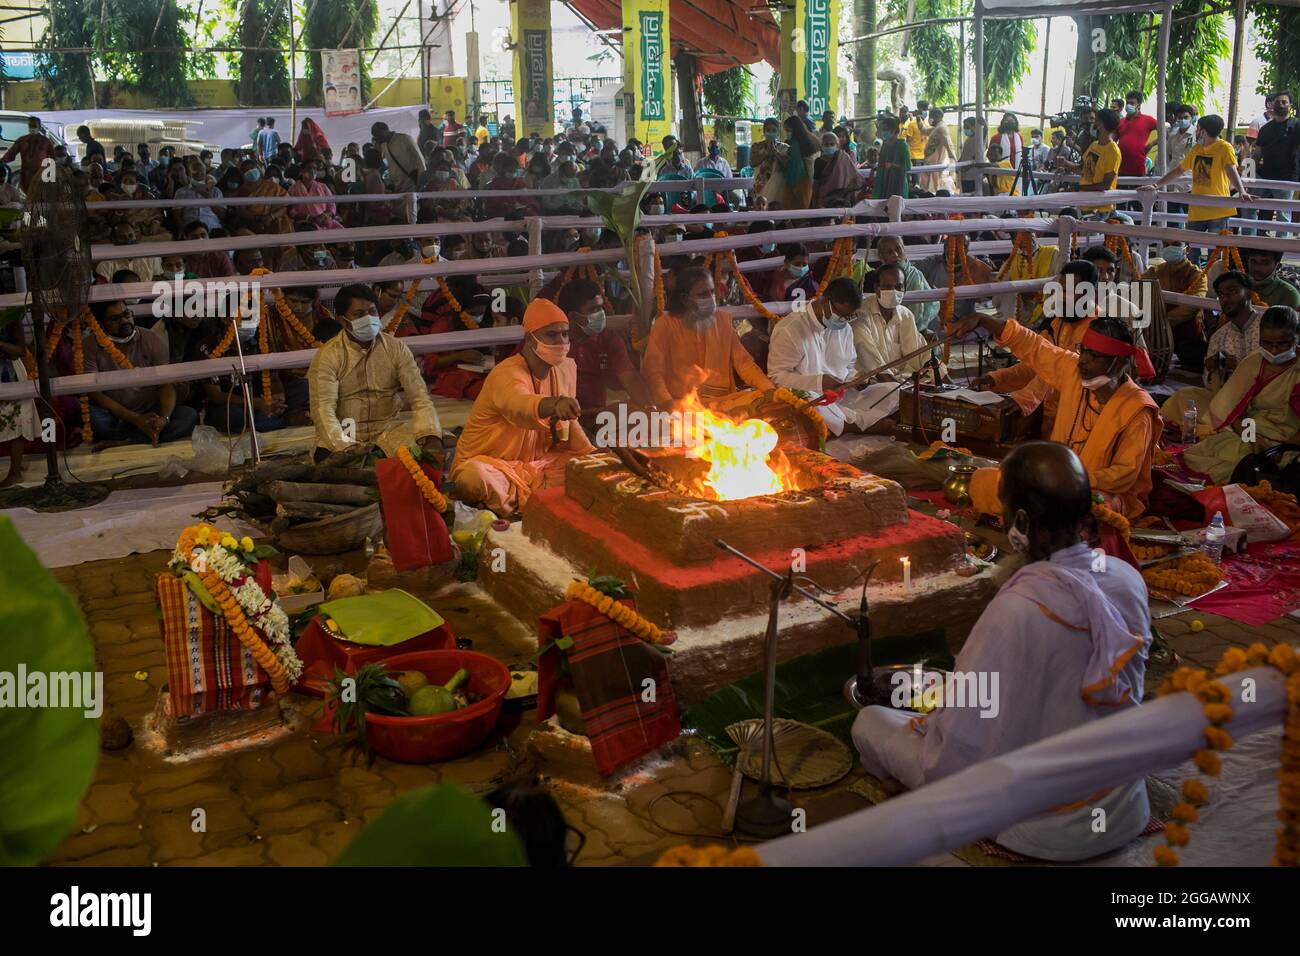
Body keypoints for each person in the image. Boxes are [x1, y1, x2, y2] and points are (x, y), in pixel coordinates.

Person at [853, 441, 1152, 863]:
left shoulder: (1018, 609)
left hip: (1045, 829)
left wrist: (936, 722)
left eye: (1007, 510)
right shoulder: (1126, 579)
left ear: (1022, 521)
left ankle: (910, 799)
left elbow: (959, 746)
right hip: (1124, 807)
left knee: (871, 721)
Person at [959, 310, 1160, 518]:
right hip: (1056, 481)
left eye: (1094, 356)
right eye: (1083, 351)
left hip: (1100, 493)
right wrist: (983, 320)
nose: (1083, 361)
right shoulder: (1072, 370)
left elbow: (1124, 475)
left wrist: (1070, 480)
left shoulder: (1137, 409)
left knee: (1090, 509)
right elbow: (1034, 347)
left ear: (1119, 363)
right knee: (986, 479)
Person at [450, 298, 595, 516]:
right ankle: (520, 497)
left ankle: (515, 500)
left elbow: (568, 424)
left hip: (539, 465)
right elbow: (518, 405)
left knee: (587, 468)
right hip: (495, 467)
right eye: (552, 334)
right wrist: (554, 404)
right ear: (530, 338)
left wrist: (592, 456)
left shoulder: (565, 368)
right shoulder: (506, 373)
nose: (561, 341)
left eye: (565, 333)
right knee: (472, 478)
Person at [307, 283, 442, 461]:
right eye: (359, 314)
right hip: (346, 433)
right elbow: (323, 410)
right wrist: (345, 447)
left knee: (430, 440)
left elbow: (419, 398)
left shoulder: (396, 348)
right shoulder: (328, 355)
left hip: (388, 434)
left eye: (372, 311)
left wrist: (430, 434)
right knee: (330, 456)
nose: (368, 318)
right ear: (342, 321)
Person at [976, 260, 1101, 437]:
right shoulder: (1058, 322)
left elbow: (1060, 369)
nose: (1063, 297)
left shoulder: (1099, 330)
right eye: (1061, 290)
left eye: (1071, 292)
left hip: (1080, 423)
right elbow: (1036, 363)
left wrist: (1024, 399)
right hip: (1049, 418)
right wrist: (997, 379)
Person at [1183, 306, 1300, 483]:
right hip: (1253, 431)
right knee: (1195, 454)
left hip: (1290, 441)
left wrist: (1283, 450)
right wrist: (1253, 440)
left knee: (1248, 468)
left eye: (1283, 344)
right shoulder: (1253, 362)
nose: (1274, 351)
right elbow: (1235, 411)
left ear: (1296, 339)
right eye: (1267, 343)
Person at [642, 265, 775, 405]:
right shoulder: (665, 325)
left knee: (759, 398)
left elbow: (744, 363)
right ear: (685, 299)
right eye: (702, 294)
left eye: (712, 292)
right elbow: (652, 370)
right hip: (682, 404)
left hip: (722, 404)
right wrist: (667, 402)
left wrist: (768, 388)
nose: (710, 298)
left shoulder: (722, 321)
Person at [766, 278, 874, 436]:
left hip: (842, 395)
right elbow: (776, 377)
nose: (844, 321)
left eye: (849, 317)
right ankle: (863, 425)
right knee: (808, 402)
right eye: (841, 315)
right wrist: (819, 382)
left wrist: (856, 378)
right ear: (824, 301)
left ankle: (852, 422)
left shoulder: (844, 328)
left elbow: (849, 366)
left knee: (890, 390)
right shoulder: (790, 329)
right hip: (814, 397)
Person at [84, 299, 199, 447]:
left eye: (126, 314)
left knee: (189, 416)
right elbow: (96, 394)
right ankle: (145, 434)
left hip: (151, 410)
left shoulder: (151, 339)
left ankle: (128, 440)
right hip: (116, 414)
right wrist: (136, 418)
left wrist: (164, 419)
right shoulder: (89, 345)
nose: (125, 321)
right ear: (100, 324)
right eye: (115, 319)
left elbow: (166, 384)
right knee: (95, 419)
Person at [1139, 115, 1252, 263]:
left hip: (1218, 209)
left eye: (1197, 128)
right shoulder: (1197, 148)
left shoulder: (1224, 148)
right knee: (1192, 250)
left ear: (1203, 131)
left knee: (1215, 252)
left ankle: (1211, 283)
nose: (1195, 130)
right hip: (1197, 209)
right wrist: (1155, 185)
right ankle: (1193, 279)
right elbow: (1179, 170)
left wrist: (1242, 191)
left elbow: (1231, 171)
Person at [1161, 271, 1262, 425]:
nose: (1225, 299)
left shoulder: (1267, 328)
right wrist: (1213, 370)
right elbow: (1209, 385)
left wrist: (1240, 369)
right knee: (1184, 397)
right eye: (1221, 295)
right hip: (1226, 400)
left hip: (1261, 400)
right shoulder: (1219, 336)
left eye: (1232, 292)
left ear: (1249, 293)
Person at [848, 265, 936, 430]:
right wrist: (906, 393)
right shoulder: (861, 315)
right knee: (892, 393)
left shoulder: (905, 314)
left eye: (899, 287)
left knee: (931, 383)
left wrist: (938, 375)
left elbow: (921, 353)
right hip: (876, 385)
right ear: (877, 288)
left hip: (903, 382)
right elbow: (874, 366)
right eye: (888, 286)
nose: (894, 291)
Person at [557, 278, 650, 418]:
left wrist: (649, 408)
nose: (601, 314)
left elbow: (630, 378)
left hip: (598, 418)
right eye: (594, 309)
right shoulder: (553, 343)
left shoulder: (608, 339)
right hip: (561, 418)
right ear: (572, 317)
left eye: (601, 308)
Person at [1057, 108, 1122, 215]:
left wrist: (1079, 188)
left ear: (1101, 124)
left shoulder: (1113, 151)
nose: (1092, 123)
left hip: (1101, 209)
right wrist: (1065, 163)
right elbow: (1083, 169)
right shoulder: (1094, 145)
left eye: (1095, 120)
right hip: (1085, 204)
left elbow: (1105, 185)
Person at [1253, 91, 1300, 235]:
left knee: (1283, 215)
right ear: (1271, 104)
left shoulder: (1297, 125)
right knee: (1257, 210)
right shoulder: (1265, 128)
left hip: (1288, 177)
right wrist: (1250, 174)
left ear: (1290, 105)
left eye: (1284, 102)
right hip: (1265, 176)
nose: (1280, 105)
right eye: (1277, 102)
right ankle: (1258, 245)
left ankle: (1280, 249)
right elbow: (1257, 152)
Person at [869, 235, 938, 332]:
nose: (895, 254)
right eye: (889, 252)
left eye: (898, 249)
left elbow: (927, 309)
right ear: (881, 257)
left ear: (904, 251)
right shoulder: (874, 278)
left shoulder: (915, 275)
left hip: (917, 328)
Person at [371, 121, 425, 222]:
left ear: (385, 130)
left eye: (379, 135)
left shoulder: (404, 138)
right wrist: (391, 183)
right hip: (397, 184)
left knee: (411, 212)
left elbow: (420, 159)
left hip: (412, 182)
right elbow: (391, 166)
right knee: (399, 213)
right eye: (376, 136)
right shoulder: (383, 145)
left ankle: (412, 233)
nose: (378, 138)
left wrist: (421, 180)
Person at [96, 221, 162, 282]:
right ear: (114, 241)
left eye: (131, 236)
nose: (128, 240)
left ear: (135, 237)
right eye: (122, 237)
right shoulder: (105, 265)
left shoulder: (152, 258)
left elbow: (158, 285)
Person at [2, 115, 53, 191]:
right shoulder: (22, 140)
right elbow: (11, 153)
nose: (32, 128)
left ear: (39, 127)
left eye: (34, 126)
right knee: (28, 194)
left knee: (41, 195)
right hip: (26, 174)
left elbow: (53, 157)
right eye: (30, 126)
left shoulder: (46, 141)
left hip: (41, 173)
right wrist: (2, 161)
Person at [813, 131, 862, 208]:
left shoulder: (844, 158)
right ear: (821, 146)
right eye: (826, 144)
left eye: (832, 144)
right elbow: (816, 182)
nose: (829, 147)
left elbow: (854, 177)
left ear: (837, 145)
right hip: (824, 198)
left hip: (844, 197)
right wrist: (815, 199)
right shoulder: (819, 161)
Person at [1115, 90, 1158, 177]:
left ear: (1138, 104)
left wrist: (1151, 144)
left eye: (1132, 103)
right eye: (1127, 102)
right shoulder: (1120, 122)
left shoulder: (1148, 120)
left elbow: (1164, 132)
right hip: (1120, 168)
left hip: (1138, 169)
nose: (1128, 105)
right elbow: (1113, 141)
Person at [872, 114, 911, 201]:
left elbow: (907, 167)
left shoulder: (902, 145)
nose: (883, 132)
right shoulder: (884, 145)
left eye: (886, 129)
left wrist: (892, 165)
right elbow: (881, 165)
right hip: (884, 183)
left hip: (898, 184)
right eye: (883, 129)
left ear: (893, 130)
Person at [919, 108, 956, 195]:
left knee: (932, 188)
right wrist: (919, 121)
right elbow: (924, 131)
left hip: (935, 164)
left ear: (935, 117)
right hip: (930, 162)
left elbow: (949, 145)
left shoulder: (941, 128)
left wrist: (953, 160)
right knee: (927, 185)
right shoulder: (937, 127)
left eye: (930, 117)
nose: (929, 119)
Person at [957, 117, 986, 194]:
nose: (965, 129)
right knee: (965, 194)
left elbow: (984, 132)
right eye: (964, 127)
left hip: (972, 174)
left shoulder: (978, 138)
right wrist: (958, 163)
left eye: (967, 127)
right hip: (964, 173)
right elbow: (964, 154)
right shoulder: (968, 139)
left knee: (972, 194)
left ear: (974, 127)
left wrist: (985, 125)